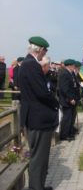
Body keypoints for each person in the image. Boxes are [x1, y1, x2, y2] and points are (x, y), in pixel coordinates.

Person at [19, 36, 58, 190]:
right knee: (38, 159)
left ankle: (38, 186)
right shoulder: (32, 65)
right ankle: (36, 188)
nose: (45, 53)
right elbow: (42, 92)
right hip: (38, 118)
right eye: (45, 50)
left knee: (39, 158)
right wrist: (55, 102)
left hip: (34, 117)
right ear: (40, 49)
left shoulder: (27, 64)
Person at [58, 59, 77, 141]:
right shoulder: (64, 73)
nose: (74, 67)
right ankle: (64, 135)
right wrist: (70, 99)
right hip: (66, 100)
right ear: (70, 65)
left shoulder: (69, 73)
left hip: (70, 98)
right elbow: (64, 88)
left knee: (71, 117)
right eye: (74, 65)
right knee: (67, 118)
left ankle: (69, 132)